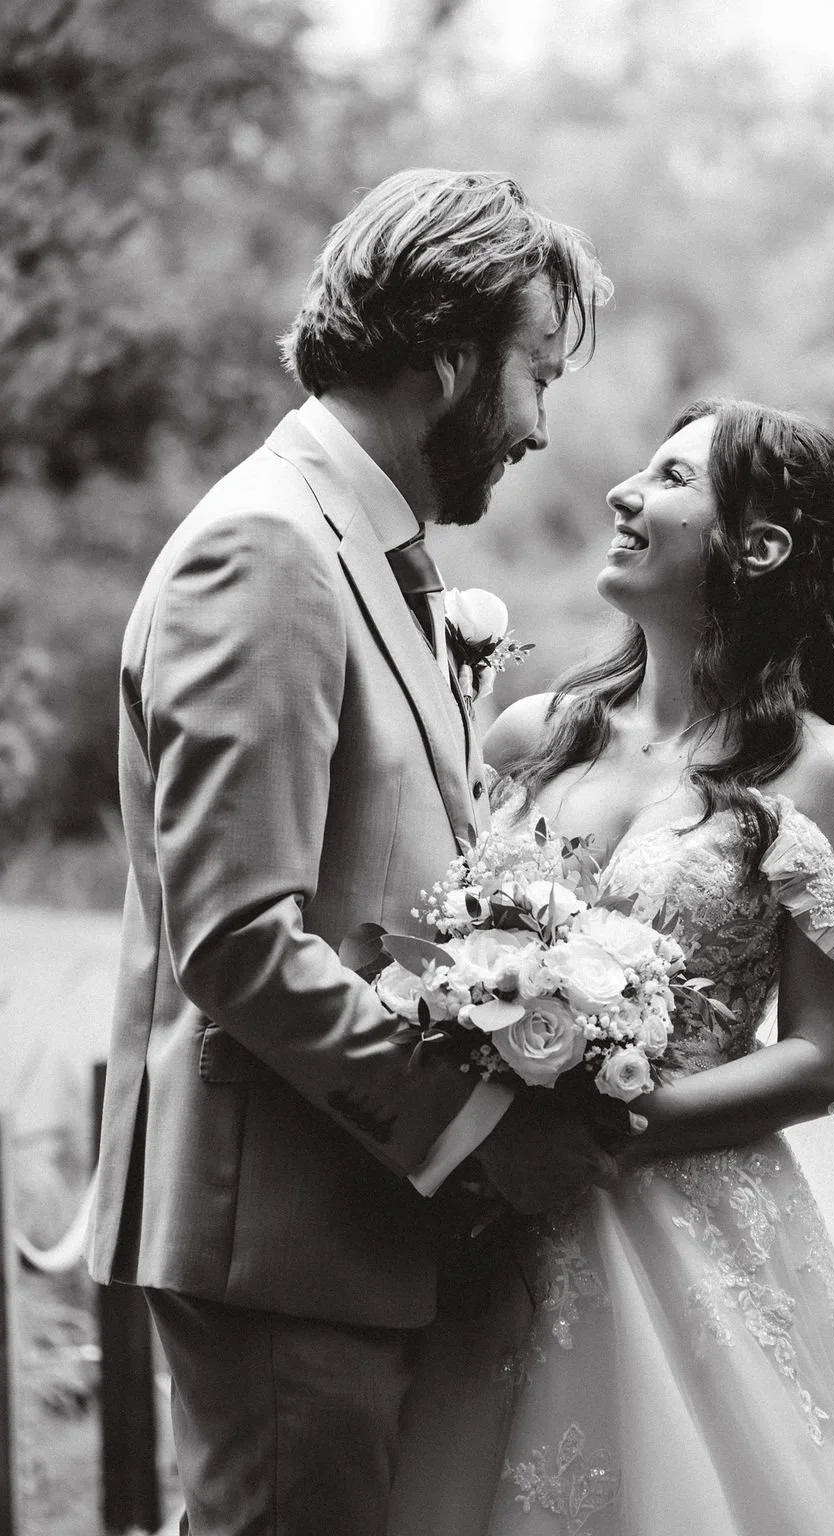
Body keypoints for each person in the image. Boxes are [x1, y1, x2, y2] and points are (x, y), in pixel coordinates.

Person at [86, 168, 616, 1536]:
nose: (539, 425)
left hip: (346, 1231)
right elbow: (238, 943)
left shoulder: (365, 550)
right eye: (535, 373)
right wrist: (483, 1129)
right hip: (281, 1237)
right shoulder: (265, 552)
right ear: (446, 357)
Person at [387, 399, 834, 1535]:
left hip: (682, 1223)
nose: (623, 492)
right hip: (471, 1216)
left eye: (670, 479)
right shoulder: (531, 735)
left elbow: (820, 1059)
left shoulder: (825, 777)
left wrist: (597, 1130)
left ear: (759, 545)